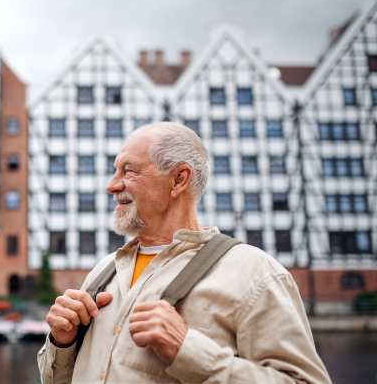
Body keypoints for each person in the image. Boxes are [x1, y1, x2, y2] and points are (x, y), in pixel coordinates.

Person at [38, 122, 331, 383]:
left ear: (178, 179)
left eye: (128, 170)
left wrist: (186, 350)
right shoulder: (105, 269)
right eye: (115, 171)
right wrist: (62, 343)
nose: (112, 185)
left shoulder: (257, 274)